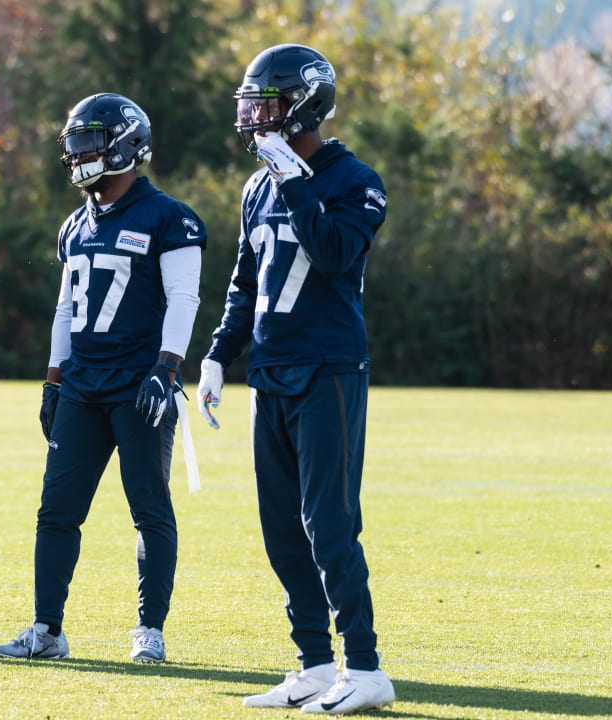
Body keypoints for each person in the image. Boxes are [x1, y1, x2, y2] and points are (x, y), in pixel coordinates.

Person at [196, 44, 394, 714]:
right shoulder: (258, 185)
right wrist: (220, 354)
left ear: (305, 104)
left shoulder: (355, 180)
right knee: (280, 526)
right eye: (251, 105)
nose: (256, 117)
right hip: (271, 371)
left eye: (268, 104)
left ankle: (364, 667)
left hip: (328, 369)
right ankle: (313, 663)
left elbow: (335, 255)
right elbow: (245, 282)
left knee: (329, 523)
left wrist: (296, 179)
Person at [0, 93, 205, 664]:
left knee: (149, 509)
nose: (79, 154)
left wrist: (167, 366)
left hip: (139, 384)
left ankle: (150, 630)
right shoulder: (75, 224)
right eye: (74, 144)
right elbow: (65, 309)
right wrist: (53, 380)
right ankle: (46, 630)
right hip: (82, 385)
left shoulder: (169, 217)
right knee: (56, 510)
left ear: (128, 146)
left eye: (89, 143)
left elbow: (185, 296)